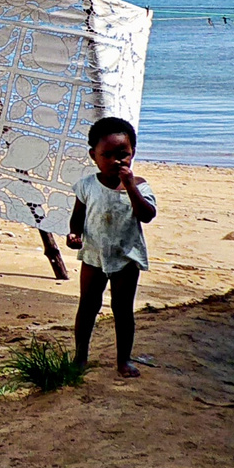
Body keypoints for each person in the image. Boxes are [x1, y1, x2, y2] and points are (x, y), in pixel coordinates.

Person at [65, 116, 157, 378]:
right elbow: (78, 217)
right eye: (108, 155)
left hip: (126, 257)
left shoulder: (139, 186)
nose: (117, 160)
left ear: (133, 153)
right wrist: (74, 235)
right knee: (88, 306)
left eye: (123, 154)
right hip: (93, 254)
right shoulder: (87, 185)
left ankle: (123, 360)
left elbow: (147, 215)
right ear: (94, 155)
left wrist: (130, 188)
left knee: (122, 309)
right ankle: (80, 357)